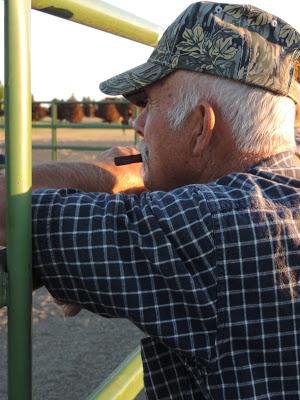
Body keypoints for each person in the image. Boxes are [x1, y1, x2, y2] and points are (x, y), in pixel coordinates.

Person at [1, 2, 300, 399]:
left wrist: (108, 177)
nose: (137, 124)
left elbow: (12, 210)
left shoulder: (211, 225)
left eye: (148, 105)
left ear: (200, 126)